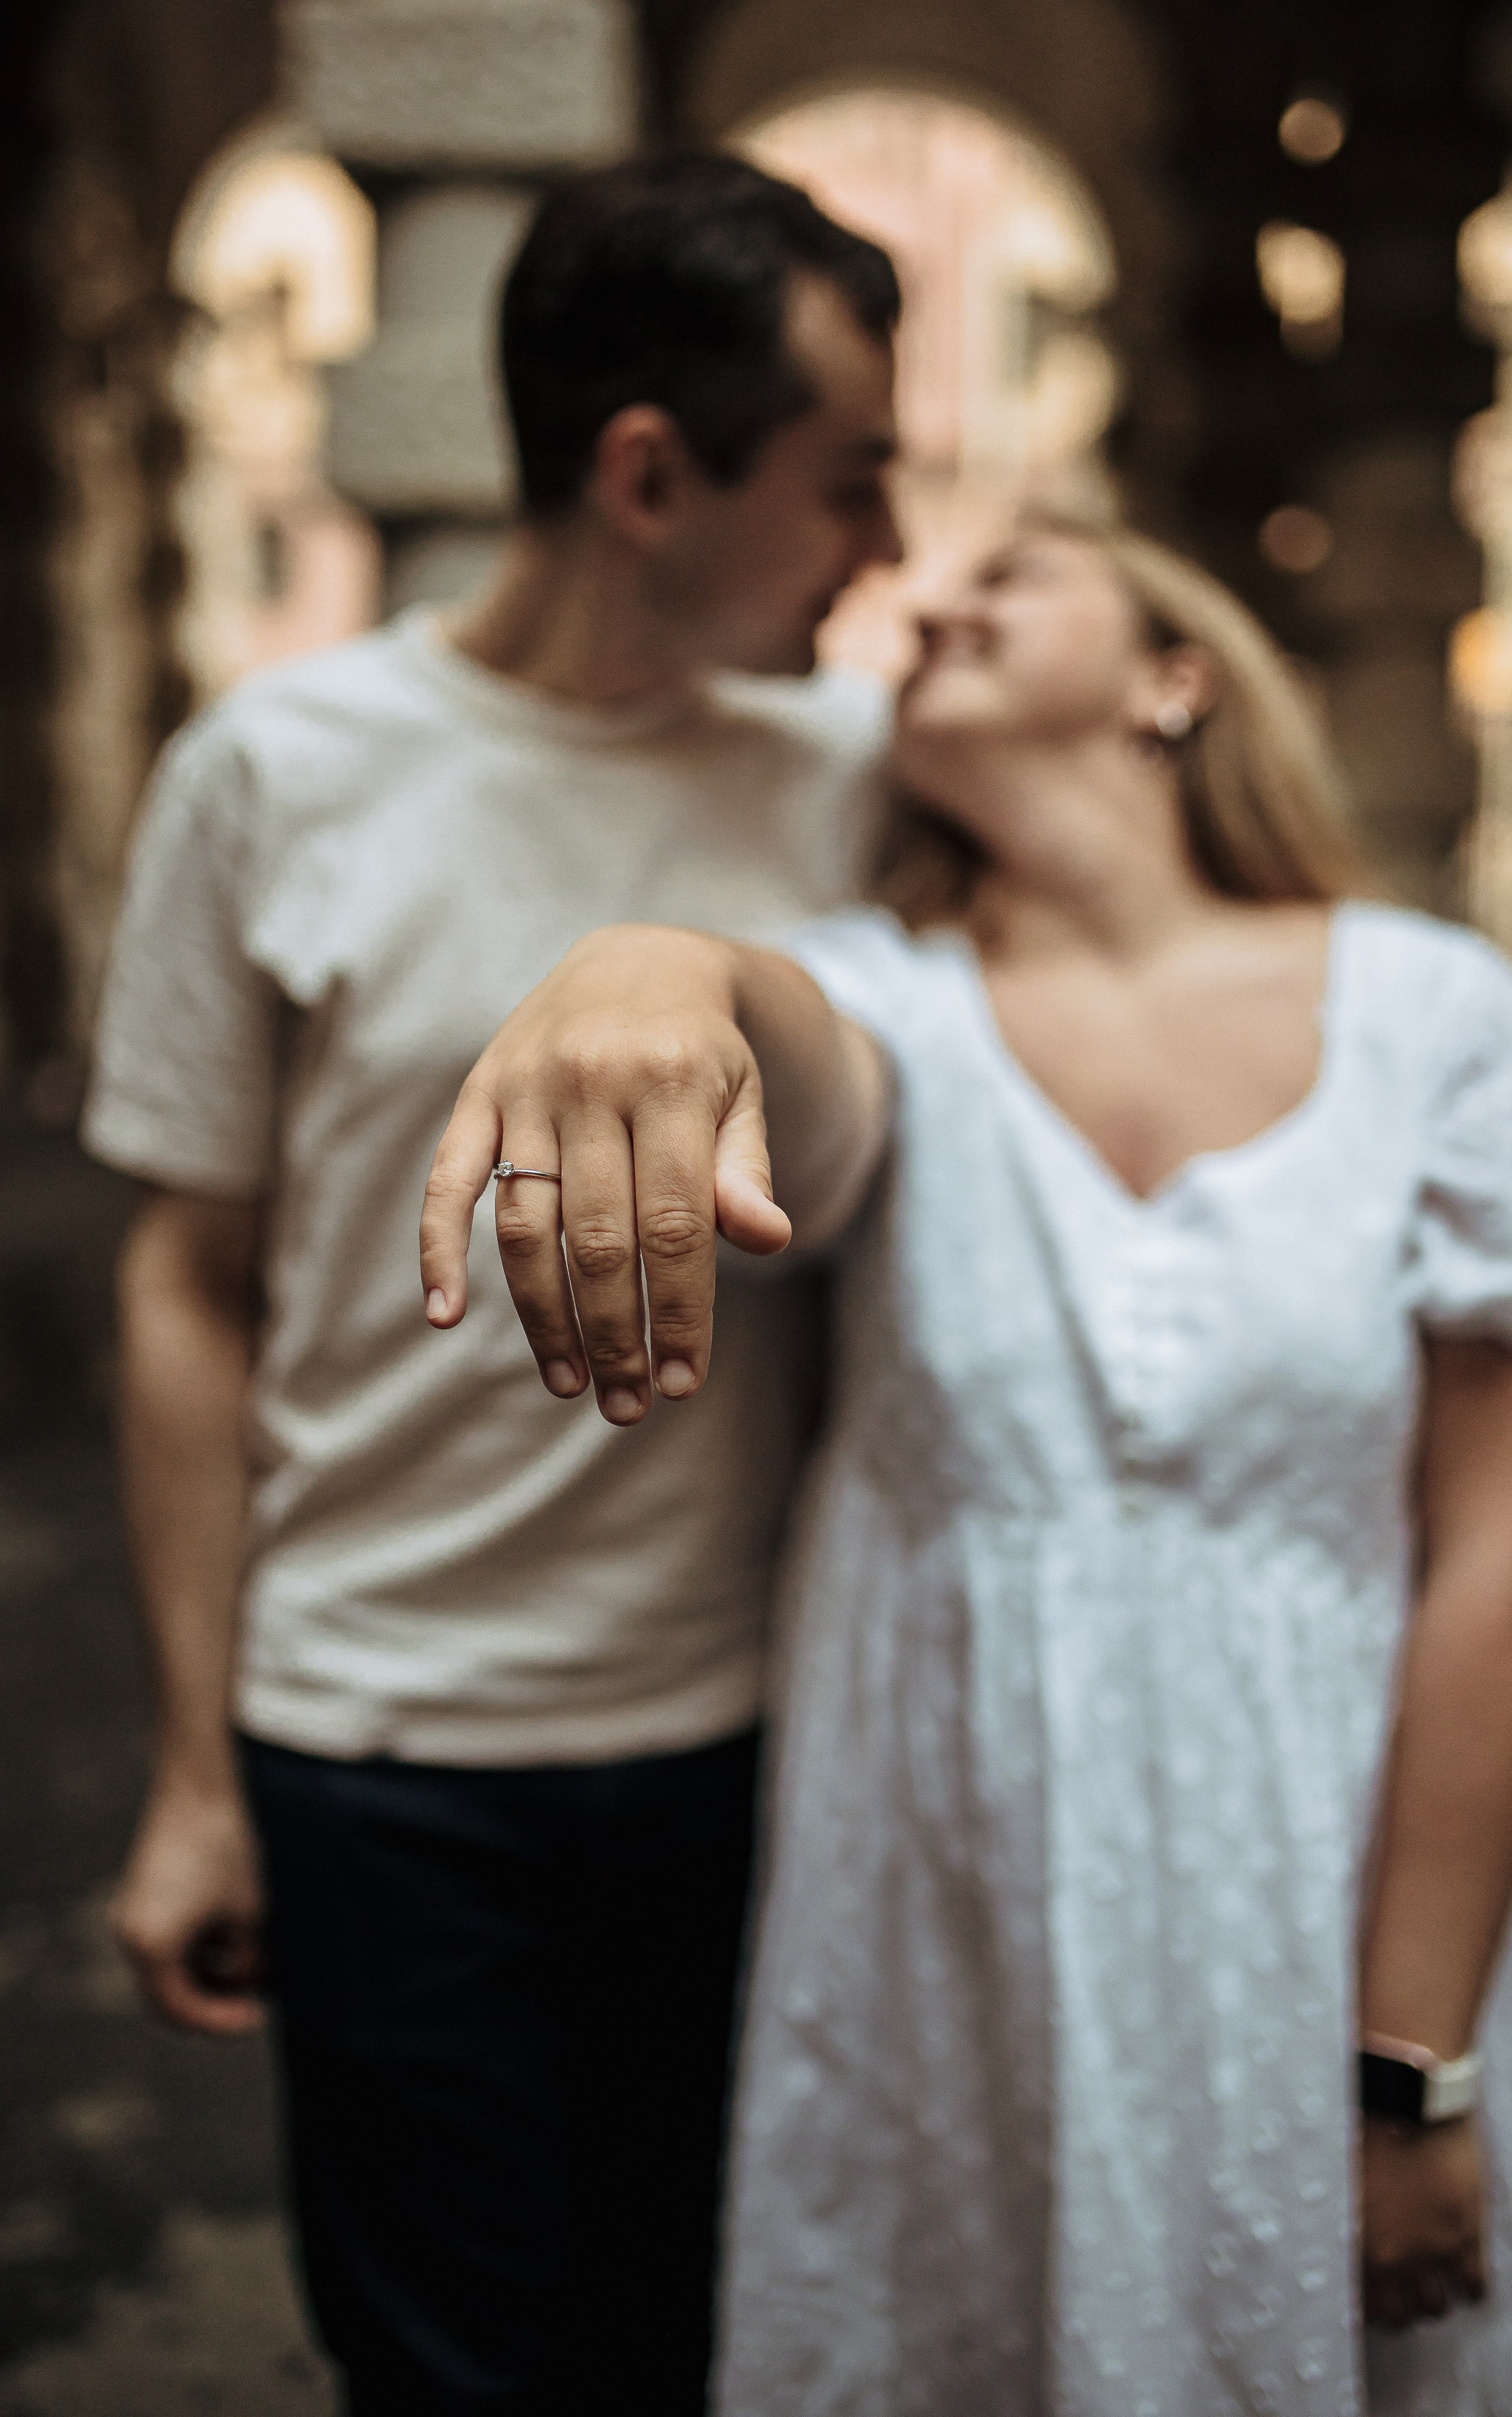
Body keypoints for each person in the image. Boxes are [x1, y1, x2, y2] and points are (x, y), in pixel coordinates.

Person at [424, 511, 1512, 2413]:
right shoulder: (886, 999)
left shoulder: (1432, 1009)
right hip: (965, 1926)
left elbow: (1505, 1556)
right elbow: (795, 1085)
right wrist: (666, 971)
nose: (937, 603)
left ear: (1176, 674)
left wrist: (1412, 2069)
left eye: (1022, 572)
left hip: (1349, 1890)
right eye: (931, 597)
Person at [83, 152, 904, 2414]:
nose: (889, 558)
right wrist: (190, 1766)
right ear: (650, 473)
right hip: (384, 1755)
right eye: (853, 487)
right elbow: (187, 1283)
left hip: (766, 1739)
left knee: (746, 2349)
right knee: (456, 2379)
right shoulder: (278, 771)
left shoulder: (862, 775)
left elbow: (1100, 1056)